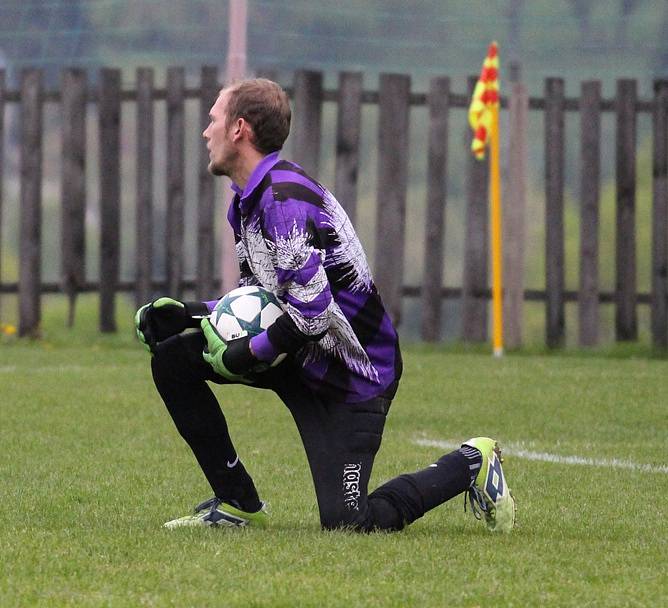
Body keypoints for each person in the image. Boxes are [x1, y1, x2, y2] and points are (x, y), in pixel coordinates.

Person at [135, 78, 515, 532]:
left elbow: (311, 314)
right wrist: (190, 312)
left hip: (354, 376)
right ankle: (236, 503)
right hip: (299, 355)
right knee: (175, 359)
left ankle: (473, 461)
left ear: (239, 129)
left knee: (348, 523)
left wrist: (245, 353)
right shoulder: (245, 203)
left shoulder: (283, 201)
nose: (205, 131)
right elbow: (261, 296)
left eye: (213, 119)